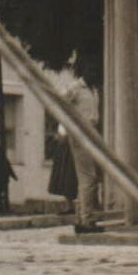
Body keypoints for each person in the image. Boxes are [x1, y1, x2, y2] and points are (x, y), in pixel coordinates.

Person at [59, 62, 104, 234]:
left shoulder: (94, 90)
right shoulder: (75, 88)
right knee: (88, 177)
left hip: (91, 133)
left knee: (88, 178)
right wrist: (65, 129)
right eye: (91, 70)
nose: (94, 74)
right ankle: (87, 220)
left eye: (96, 71)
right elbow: (60, 104)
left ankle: (81, 218)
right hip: (81, 134)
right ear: (84, 71)